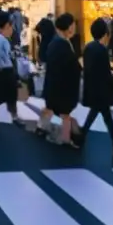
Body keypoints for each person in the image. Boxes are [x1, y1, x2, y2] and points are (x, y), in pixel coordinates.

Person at [79, 19, 113, 157]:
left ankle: (83, 137)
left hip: (92, 88)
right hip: (101, 90)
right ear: (105, 33)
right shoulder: (102, 50)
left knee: (100, 116)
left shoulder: (88, 47)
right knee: (106, 118)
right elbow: (106, 73)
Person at [42, 13, 82, 148]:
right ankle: (65, 139)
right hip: (62, 87)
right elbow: (70, 66)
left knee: (52, 109)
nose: (74, 28)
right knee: (65, 113)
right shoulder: (62, 44)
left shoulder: (57, 41)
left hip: (55, 86)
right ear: (68, 27)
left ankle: (41, 128)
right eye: (73, 25)